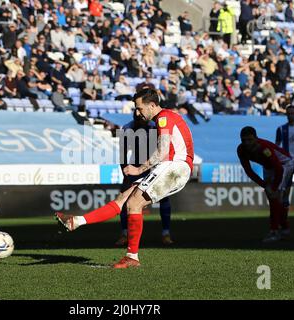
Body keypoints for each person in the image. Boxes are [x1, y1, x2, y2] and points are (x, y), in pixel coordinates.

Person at [55, 88, 194, 268]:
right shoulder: (163, 118)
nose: (137, 113)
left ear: (152, 105)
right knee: (123, 199)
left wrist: (139, 169)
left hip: (175, 166)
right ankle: (76, 221)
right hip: (169, 167)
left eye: (139, 108)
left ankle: (132, 256)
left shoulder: (163, 118)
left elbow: (163, 151)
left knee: (134, 203)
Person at [116, 109, 173, 246]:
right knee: (125, 199)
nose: (139, 116)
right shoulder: (127, 128)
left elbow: (163, 147)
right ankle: (125, 233)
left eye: (141, 114)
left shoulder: (155, 126)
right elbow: (123, 152)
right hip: (135, 166)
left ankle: (166, 233)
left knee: (163, 198)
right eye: (137, 115)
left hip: (154, 166)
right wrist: (125, 170)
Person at [237, 126, 294, 242]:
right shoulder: (241, 150)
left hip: (284, 164)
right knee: (273, 198)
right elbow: (249, 172)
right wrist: (264, 185)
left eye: (250, 140)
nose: (247, 143)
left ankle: (274, 231)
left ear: (256, 138)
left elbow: (279, 168)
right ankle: (285, 229)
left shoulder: (264, 148)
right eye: (244, 140)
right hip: (268, 167)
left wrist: (273, 187)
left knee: (274, 196)